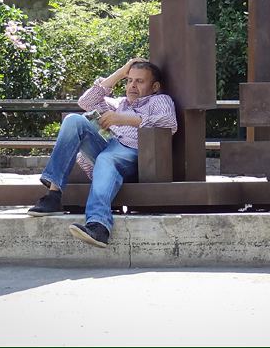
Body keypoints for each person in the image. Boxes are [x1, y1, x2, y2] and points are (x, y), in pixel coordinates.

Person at [28, 58, 177, 248]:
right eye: (129, 80)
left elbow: (168, 122)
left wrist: (124, 119)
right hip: (109, 147)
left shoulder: (160, 100)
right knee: (74, 120)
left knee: (106, 158)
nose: (132, 85)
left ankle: (99, 226)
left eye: (139, 81)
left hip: (136, 155)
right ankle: (53, 194)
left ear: (154, 86)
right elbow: (86, 101)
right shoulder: (119, 103)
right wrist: (120, 72)